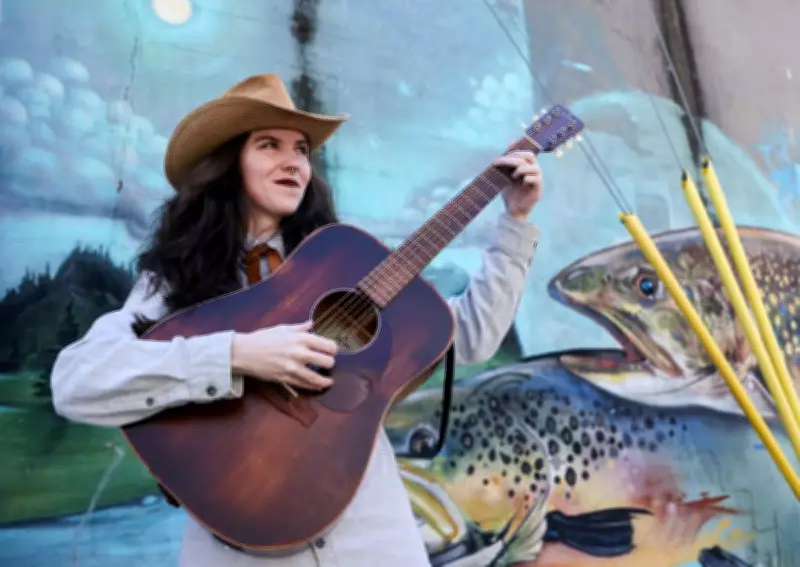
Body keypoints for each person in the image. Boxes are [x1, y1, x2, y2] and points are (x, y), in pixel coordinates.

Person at [50, 73, 543, 567]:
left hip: (375, 538)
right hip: (240, 549)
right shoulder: (177, 279)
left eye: (302, 149)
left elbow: (471, 336)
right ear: (228, 163)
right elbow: (76, 383)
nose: (293, 162)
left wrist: (515, 225)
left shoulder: (345, 266)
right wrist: (237, 355)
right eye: (269, 145)